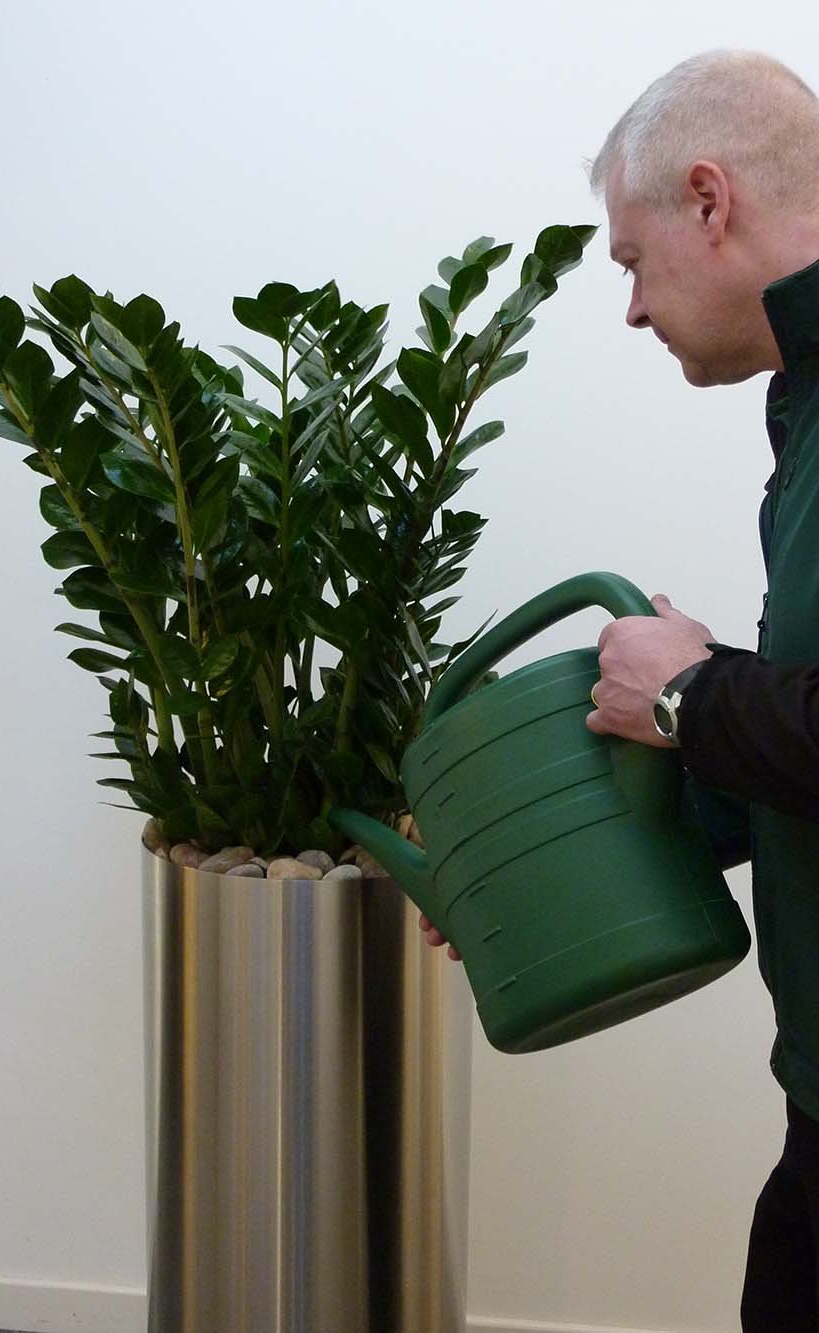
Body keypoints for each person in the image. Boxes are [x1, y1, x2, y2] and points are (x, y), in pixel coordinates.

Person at [419, 48, 819, 1330]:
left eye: (631, 261)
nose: (634, 311)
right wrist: (556, 845)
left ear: (710, 199)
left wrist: (691, 698)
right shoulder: (802, 412)